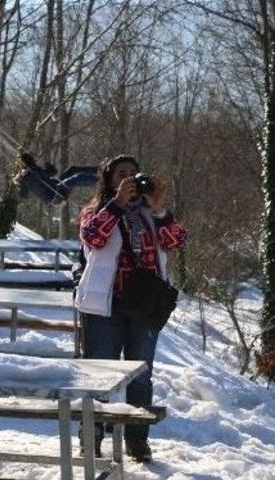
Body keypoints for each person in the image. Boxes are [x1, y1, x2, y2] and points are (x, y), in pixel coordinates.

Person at [75, 154, 187, 463]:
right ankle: (91, 438)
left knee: (140, 377)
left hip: (145, 307)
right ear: (109, 179)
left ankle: (137, 440)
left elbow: (177, 242)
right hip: (104, 306)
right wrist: (118, 204)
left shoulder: (153, 214)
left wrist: (159, 208)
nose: (129, 178)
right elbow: (93, 238)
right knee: (98, 376)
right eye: (121, 173)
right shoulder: (96, 211)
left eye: (134, 174)